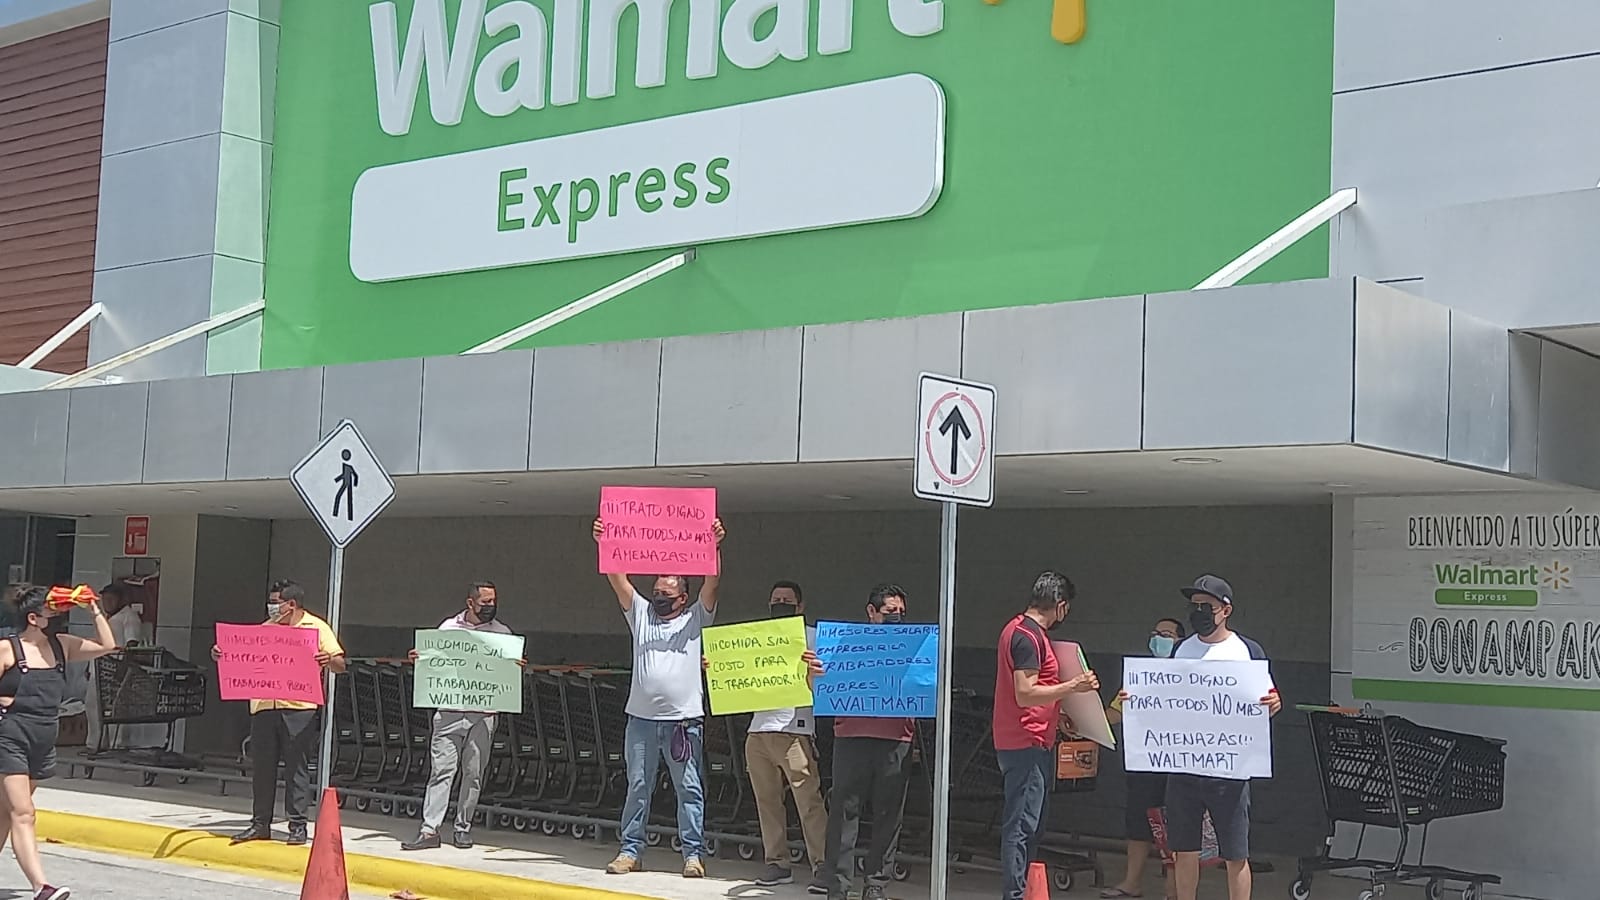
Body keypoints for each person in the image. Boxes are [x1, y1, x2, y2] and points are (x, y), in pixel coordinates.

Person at [593, 516, 726, 879]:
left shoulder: (697, 618)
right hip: (641, 721)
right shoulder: (640, 614)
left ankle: (692, 854)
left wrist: (714, 546)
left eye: (666, 594)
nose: (658, 597)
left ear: (683, 598)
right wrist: (606, 541)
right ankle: (630, 850)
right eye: (656, 591)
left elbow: (712, 583)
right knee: (638, 785)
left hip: (684, 722)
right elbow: (618, 578)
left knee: (689, 788)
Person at [1155, 575, 1280, 900]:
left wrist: (1273, 703)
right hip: (1184, 767)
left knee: (1235, 852)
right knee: (1184, 849)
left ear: (1226, 610)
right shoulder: (1182, 649)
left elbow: (1266, 701)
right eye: (1194, 606)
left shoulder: (1247, 650)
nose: (1198, 612)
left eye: (1206, 607)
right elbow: (1165, 697)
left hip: (1229, 769)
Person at [0, 584, 121, 899]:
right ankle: (42, 886)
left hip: (43, 737)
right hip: (9, 735)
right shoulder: (7, 649)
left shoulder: (62, 645)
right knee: (24, 812)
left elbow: (108, 645)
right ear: (33, 617)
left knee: (5, 812)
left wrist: (93, 608)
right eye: (48, 610)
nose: (55, 613)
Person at [992, 571, 1100, 900]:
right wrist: (1073, 687)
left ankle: (1020, 888)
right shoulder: (1027, 637)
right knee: (1022, 824)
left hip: (1031, 737)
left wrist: (1060, 714)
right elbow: (1025, 692)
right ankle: (1014, 893)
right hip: (1026, 741)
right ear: (1061, 605)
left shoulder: (1020, 630)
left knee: (1030, 821)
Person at [216, 579, 347, 846]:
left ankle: (297, 826)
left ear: (291, 604)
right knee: (262, 767)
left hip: (299, 708)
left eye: (276, 603)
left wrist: (327, 659)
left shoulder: (317, 627)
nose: (271, 607)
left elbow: (340, 664)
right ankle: (260, 823)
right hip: (264, 706)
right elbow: (244, 659)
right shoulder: (265, 629)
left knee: (296, 767)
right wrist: (222, 654)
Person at [403, 581, 521, 851]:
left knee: (473, 773)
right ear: (470, 603)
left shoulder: (502, 634)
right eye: (485, 602)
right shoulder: (448, 629)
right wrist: (419, 658)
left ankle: (463, 827)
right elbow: (433, 660)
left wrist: (514, 667)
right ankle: (430, 829)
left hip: (483, 714)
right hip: (448, 713)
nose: (491, 606)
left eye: (493, 601)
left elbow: (506, 672)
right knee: (441, 771)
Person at [820, 583, 916, 900]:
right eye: (890, 612)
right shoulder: (845, 645)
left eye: (901, 613)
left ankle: (876, 884)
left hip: (896, 739)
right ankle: (838, 886)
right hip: (852, 737)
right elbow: (820, 686)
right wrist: (813, 671)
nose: (897, 618)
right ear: (871, 612)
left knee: (890, 814)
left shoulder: (915, 646)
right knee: (844, 812)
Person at [745, 581, 829, 891]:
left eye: (787, 600)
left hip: (795, 730)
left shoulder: (813, 637)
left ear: (800, 606)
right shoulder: (754, 639)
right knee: (766, 801)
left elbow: (827, 681)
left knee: (809, 801)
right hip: (758, 731)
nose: (780, 603)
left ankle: (822, 865)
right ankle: (776, 862)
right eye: (776, 598)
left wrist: (815, 671)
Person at [1101, 618, 1185, 900]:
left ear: (1180, 641)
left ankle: (1174, 890)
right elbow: (1113, 715)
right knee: (1138, 823)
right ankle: (1131, 882)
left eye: (1166, 634)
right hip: (1144, 764)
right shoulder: (1140, 676)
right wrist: (1081, 719)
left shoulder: (1191, 674)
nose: (1158, 639)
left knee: (1174, 827)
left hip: (1178, 767)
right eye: (1155, 634)